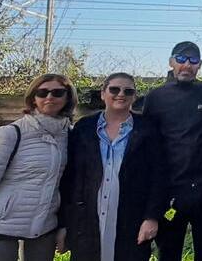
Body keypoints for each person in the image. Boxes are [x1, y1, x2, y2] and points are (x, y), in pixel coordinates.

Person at [0, 74, 77, 261]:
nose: (49, 97)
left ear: (68, 97)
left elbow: (69, 187)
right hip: (2, 227)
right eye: (42, 92)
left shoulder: (71, 137)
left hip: (45, 227)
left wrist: (64, 226)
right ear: (33, 98)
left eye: (57, 92)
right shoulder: (9, 134)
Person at [141, 41, 202, 261]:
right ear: (171, 62)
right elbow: (146, 143)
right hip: (170, 192)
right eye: (181, 59)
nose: (187, 65)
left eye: (193, 60)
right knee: (169, 253)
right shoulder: (155, 97)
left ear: (200, 65)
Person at [60, 72, 167, 261]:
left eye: (128, 91)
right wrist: (65, 222)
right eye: (114, 89)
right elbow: (70, 177)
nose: (121, 94)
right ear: (103, 93)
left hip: (131, 219)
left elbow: (159, 177)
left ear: (134, 96)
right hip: (87, 220)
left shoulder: (148, 129)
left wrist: (152, 217)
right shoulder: (84, 128)